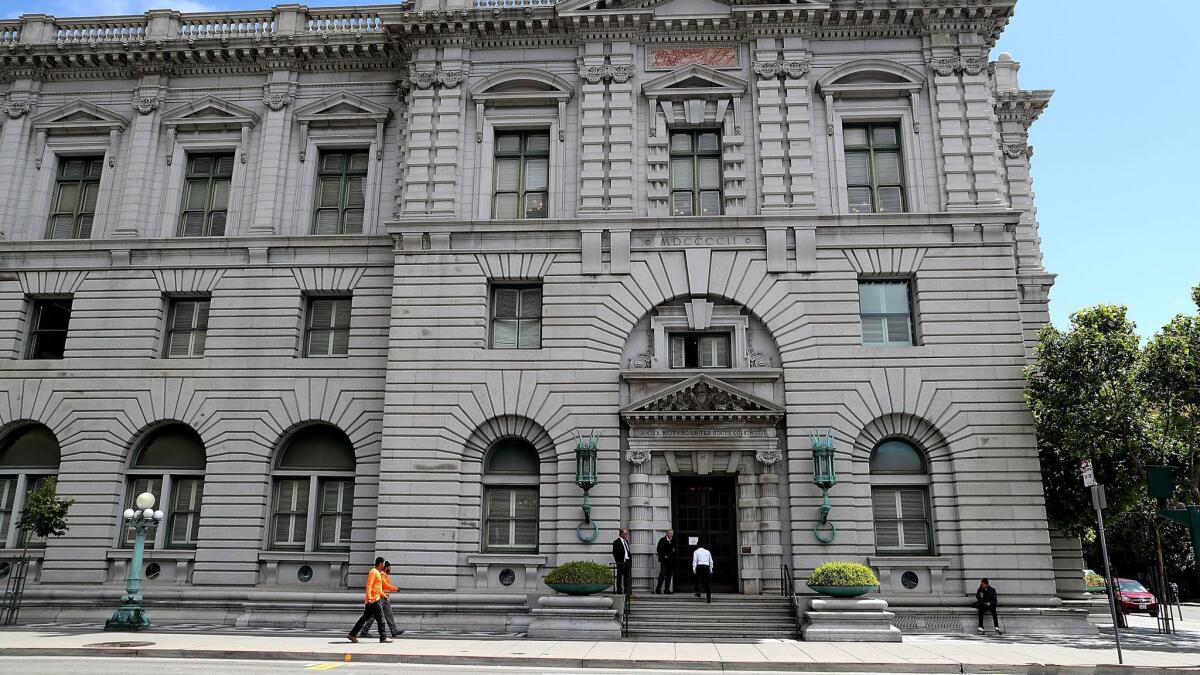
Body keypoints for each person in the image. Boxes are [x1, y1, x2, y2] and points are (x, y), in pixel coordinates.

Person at [348, 557, 393, 643]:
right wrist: (369, 598)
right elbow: (369, 585)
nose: (384, 565)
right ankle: (383, 637)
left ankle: (352, 634)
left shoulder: (377, 573)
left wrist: (383, 595)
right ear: (380, 563)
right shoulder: (373, 572)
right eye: (383, 563)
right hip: (373, 600)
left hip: (373, 599)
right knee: (381, 618)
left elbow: (377, 588)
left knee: (364, 618)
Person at [361, 560, 402, 639]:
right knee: (374, 616)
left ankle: (394, 631)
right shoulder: (381, 574)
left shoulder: (383, 574)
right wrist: (395, 588)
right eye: (389, 567)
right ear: (386, 567)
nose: (390, 569)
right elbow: (384, 585)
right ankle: (364, 631)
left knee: (389, 614)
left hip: (384, 597)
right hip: (381, 598)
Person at [655, 529, 676, 595]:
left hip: (671, 561)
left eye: (672, 533)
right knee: (662, 573)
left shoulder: (673, 540)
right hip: (664, 560)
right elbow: (658, 549)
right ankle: (658, 589)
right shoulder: (662, 540)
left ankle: (666, 589)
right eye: (670, 533)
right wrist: (664, 555)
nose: (671, 535)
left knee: (669, 575)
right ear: (667, 533)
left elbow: (674, 550)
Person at [611, 528, 632, 595]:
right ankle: (619, 590)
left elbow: (627, 551)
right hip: (621, 562)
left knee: (627, 577)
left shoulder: (626, 541)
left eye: (626, 533)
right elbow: (614, 553)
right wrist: (617, 561)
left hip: (627, 562)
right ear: (621, 534)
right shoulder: (616, 542)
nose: (626, 535)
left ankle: (627, 591)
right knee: (619, 577)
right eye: (625, 533)